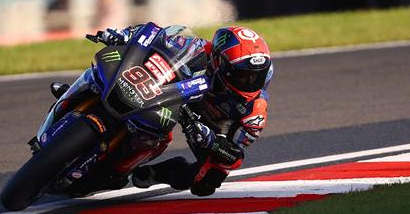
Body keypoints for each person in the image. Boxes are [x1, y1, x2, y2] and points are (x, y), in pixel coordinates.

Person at [51, 24, 272, 197]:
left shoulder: (254, 112)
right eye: (243, 75)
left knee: (204, 183)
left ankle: (154, 174)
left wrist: (212, 141)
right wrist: (126, 36)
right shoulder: (199, 48)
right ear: (219, 62)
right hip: (175, 94)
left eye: (256, 76)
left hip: (207, 129)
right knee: (107, 67)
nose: (250, 82)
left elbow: (234, 157)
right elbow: (157, 37)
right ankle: (72, 95)